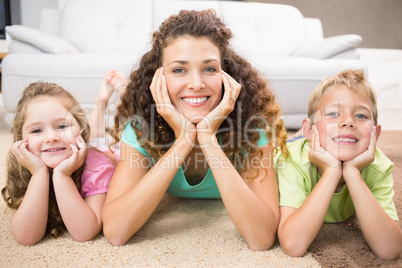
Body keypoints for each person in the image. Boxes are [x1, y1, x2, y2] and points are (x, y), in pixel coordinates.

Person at [102, 9, 287, 250]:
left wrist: (208, 139)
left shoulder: (251, 128)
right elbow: (116, 232)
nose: (197, 84)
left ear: (226, 75)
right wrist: (184, 140)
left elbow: (260, 238)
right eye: (179, 70)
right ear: (159, 77)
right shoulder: (141, 128)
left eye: (209, 69)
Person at [276, 69, 401, 260]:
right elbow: (293, 245)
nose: (348, 122)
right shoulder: (291, 160)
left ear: (375, 134)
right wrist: (331, 172)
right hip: (299, 145)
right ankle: (300, 135)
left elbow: (390, 249)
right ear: (311, 131)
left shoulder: (379, 166)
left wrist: (352, 173)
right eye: (333, 113)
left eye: (361, 116)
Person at [1, 81, 116, 245]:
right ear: (21, 140)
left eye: (62, 126)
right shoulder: (26, 165)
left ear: (80, 129)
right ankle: (102, 99)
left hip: (108, 152)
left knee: (101, 139)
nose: (51, 137)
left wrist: (62, 176)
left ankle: (103, 100)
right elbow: (26, 237)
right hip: (78, 146)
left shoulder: (98, 166)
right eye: (37, 130)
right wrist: (39, 173)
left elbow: (85, 232)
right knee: (97, 137)